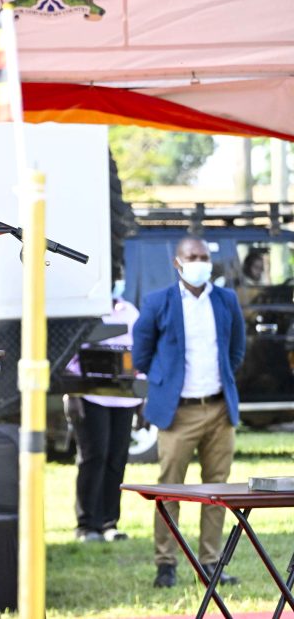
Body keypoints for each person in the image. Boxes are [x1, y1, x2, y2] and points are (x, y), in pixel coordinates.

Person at [131, 236, 246, 589]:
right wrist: (166, 384)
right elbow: (141, 355)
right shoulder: (159, 302)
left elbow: (236, 350)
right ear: (177, 262)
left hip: (219, 409)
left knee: (217, 490)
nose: (199, 262)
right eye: (192, 256)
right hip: (178, 413)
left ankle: (210, 563)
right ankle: (166, 564)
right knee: (169, 490)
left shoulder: (226, 300)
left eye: (203, 256)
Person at [67, 277, 143, 543]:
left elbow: (140, 355)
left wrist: (142, 394)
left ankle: (110, 522)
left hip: (124, 398)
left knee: (116, 458)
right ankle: (87, 525)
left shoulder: (130, 312)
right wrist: (73, 394)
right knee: (93, 457)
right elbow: (69, 355)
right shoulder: (83, 312)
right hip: (91, 396)